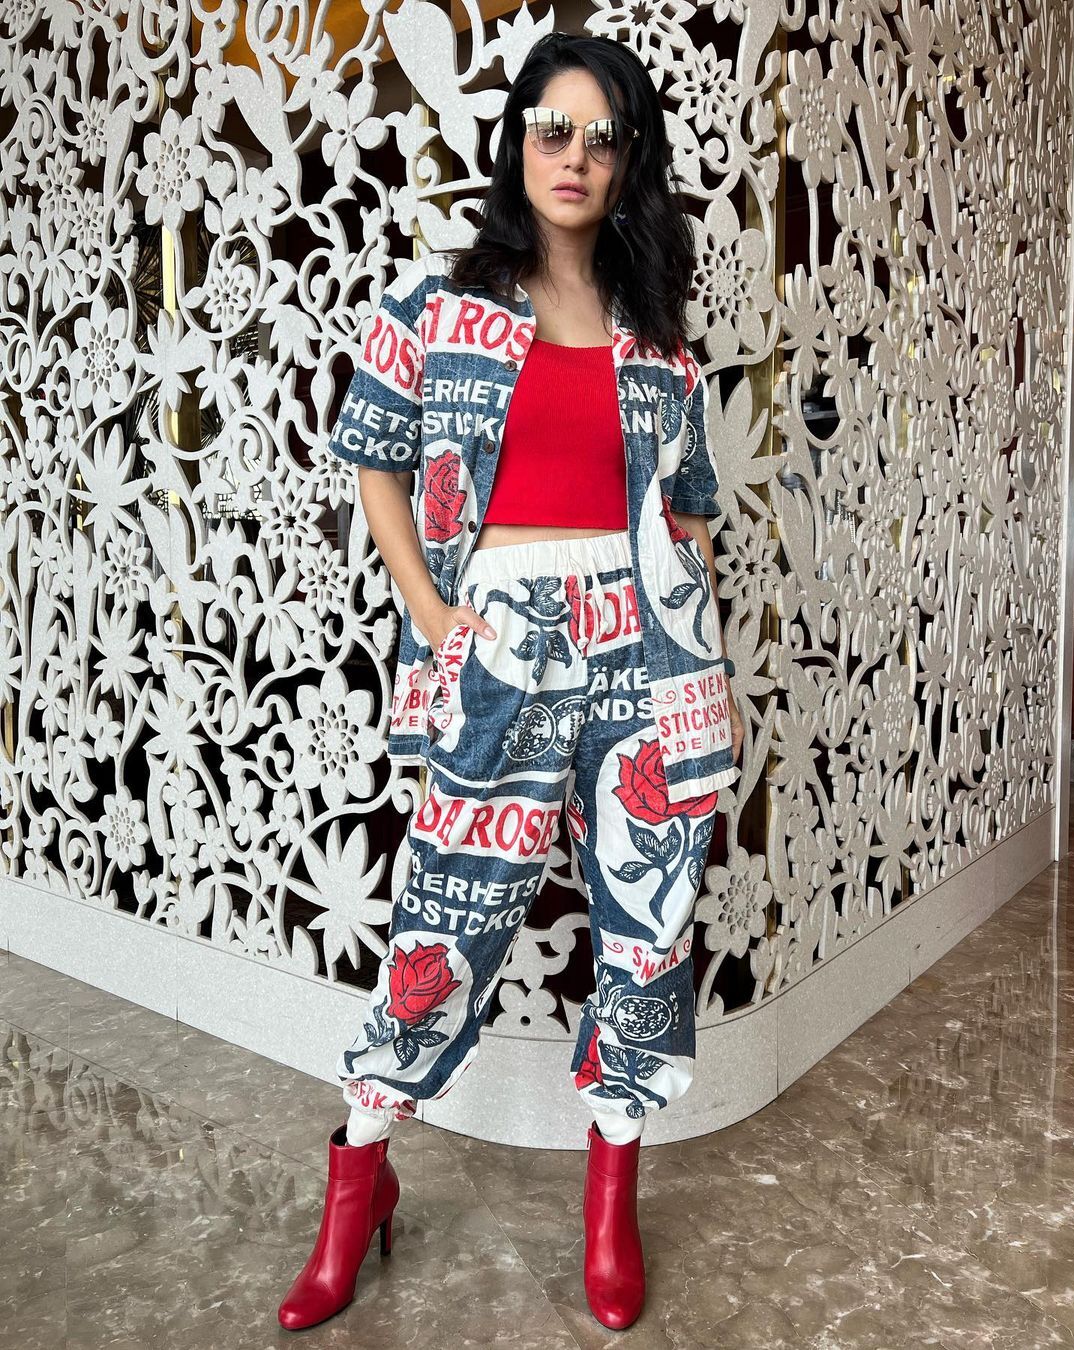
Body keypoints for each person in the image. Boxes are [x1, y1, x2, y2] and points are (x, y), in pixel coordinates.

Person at [278, 29, 744, 1336]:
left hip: (644, 654)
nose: (574, 156)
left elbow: (691, 508)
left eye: (602, 137)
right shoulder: (439, 310)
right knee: (446, 915)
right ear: (518, 140)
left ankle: (611, 1203)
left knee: (648, 928)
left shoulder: (659, 342)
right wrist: (434, 609)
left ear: (628, 162)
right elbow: (375, 455)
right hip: (503, 639)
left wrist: (681, 628)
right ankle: (358, 1181)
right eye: (553, 129)